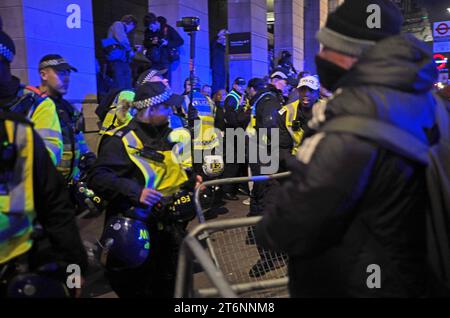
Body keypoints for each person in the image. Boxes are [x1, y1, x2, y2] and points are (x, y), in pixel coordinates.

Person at [256, 0, 448, 297]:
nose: (319, 56)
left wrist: (273, 210)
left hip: (352, 283)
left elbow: (289, 225)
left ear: (351, 54)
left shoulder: (351, 124)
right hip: (406, 275)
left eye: (325, 47)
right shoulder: (427, 104)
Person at [88, 81, 198, 297]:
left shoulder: (166, 136)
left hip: (169, 232)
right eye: (166, 107)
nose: (170, 112)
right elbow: (98, 178)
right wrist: (137, 192)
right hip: (137, 236)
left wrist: (192, 180)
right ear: (150, 109)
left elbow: (171, 172)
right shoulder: (121, 140)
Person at [0, 112, 87, 298]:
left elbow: (56, 209)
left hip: (19, 270)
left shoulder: (18, 133)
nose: (66, 80)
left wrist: (74, 273)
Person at [0, 30, 62, 166]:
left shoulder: (37, 104)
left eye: (65, 73)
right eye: (60, 72)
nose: (66, 78)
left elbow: (48, 156)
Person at [36, 54, 94, 183]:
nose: (67, 78)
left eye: (68, 73)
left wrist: (88, 157)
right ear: (44, 75)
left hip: (68, 185)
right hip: (44, 186)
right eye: (61, 73)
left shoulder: (69, 108)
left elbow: (79, 140)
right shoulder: (32, 104)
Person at [277, 75, 322, 163]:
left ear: (317, 93)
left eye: (311, 90)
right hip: (296, 161)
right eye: (302, 90)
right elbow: (282, 147)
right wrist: (293, 164)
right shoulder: (286, 112)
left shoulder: (327, 109)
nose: (306, 94)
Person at [221, 77, 251, 201]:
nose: (242, 87)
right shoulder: (232, 97)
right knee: (232, 163)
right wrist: (242, 113)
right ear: (234, 85)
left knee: (237, 162)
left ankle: (235, 188)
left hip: (237, 132)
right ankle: (227, 191)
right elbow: (231, 119)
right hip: (233, 133)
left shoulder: (239, 96)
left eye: (243, 85)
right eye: (239, 85)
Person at [143, 13, 184, 83]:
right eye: (149, 28)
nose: (151, 29)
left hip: (166, 61)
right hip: (154, 61)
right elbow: (145, 43)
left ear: (155, 22)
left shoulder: (167, 29)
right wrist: (152, 42)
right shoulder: (148, 31)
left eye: (151, 27)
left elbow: (180, 41)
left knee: (166, 83)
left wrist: (167, 43)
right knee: (152, 83)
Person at [105, 15, 139, 90]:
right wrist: (130, 50)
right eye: (132, 28)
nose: (130, 30)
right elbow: (122, 40)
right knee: (121, 85)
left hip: (122, 60)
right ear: (131, 24)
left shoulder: (118, 27)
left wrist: (132, 49)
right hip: (117, 60)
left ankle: (126, 100)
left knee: (126, 84)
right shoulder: (118, 24)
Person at [211, 29, 228, 94]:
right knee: (217, 82)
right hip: (217, 67)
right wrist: (219, 35)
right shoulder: (215, 46)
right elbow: (214, 42)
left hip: (222, 68)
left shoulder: (222, 49)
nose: (224, 40)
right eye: (222, 38)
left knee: (222, 83)